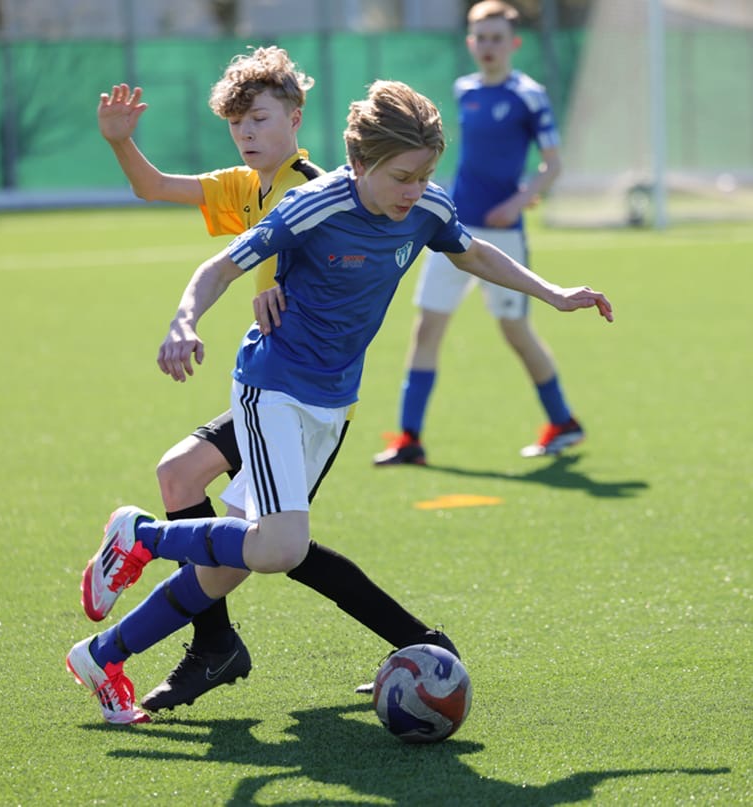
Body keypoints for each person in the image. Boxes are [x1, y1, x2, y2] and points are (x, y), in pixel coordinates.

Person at [67, 79, 613, 725]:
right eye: (402, 177)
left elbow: (473, 254)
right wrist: (183, 322)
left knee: (229, 565)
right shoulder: (315, 205)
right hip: (272, 386)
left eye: (424, 175)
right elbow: (219, 268)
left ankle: (102, 655)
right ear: (359, 163)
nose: (413, 190)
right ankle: (142, 536)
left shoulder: (427, 206)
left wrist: (552, 292)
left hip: (332, 404)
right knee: (279, 548)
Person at [91, 46, 323, 711]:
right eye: (236, 124)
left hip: (305, 394)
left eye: (259, 119)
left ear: (295, 117)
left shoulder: (313, 188)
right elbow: (155, 187)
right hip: (267, 385)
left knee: (262, 551)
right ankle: (215, 644)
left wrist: (286, 285)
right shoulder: (250, 186)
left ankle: (414, 639)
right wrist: (120, 142)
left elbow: (340, 256)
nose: (246, 133)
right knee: (180, 478)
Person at [373, 0, 580, 466]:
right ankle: (409, 439)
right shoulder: (464, 89)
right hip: (452, 229)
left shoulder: (529, 95)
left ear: (514, 43)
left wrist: (517, 202)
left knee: (515, 331)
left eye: (496, 38)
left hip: (503, 235)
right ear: (470, 42)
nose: (488, 46)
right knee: (427, 326)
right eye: (480, 38)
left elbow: (552, 165)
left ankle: (563, 421)